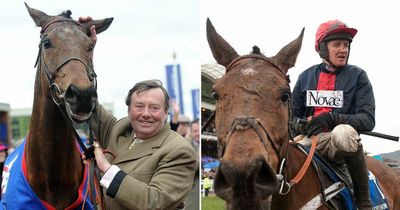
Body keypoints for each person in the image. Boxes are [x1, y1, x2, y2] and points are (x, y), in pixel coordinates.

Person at [291, 19, 374, 209]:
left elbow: (368, 119)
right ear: (322, 48)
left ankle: (363, 200)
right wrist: (302, 124)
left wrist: (331, 119)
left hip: (338, 142)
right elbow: (291, 118)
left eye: (346, 45)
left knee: (343, 132)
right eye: (337, 44)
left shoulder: (359, 76)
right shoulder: (305, 77)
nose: (343, 49)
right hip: (308, 140)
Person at [89, 79, 197, 210]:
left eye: (154, 108)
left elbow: (154, 202)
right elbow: (87, 102)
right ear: (129, 110)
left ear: (166, 112)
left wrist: (106, 168)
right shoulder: (118, 130)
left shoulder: (179, 150)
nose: (146, 114)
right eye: (139, 106)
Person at [185, 119, 200, 210]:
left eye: (199, 130)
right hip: (192, 195)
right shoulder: (186, 147)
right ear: (190, 132)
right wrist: (198, 159)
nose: (198, 133)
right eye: (195, 131)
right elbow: (189, 167)